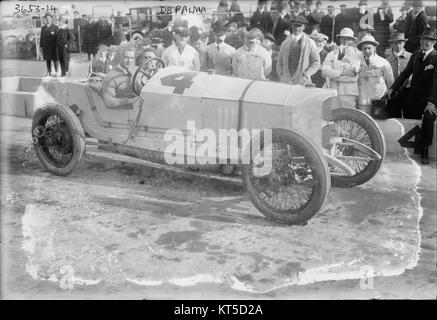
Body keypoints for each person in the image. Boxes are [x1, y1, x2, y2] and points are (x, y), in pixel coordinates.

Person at [386, 28, 437, 164]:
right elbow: (405, 74)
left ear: (434, 42)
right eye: (423, 39)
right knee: (406, 115)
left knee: (428, 120)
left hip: (429, 101)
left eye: (429, 40)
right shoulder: (415, 55)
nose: (425, 42)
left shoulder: (435, 57)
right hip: (413, 97)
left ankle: (425, 150)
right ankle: (405, 150)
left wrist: (432, 102)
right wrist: (392, 88)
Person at [322, 28, 361, 106]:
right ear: (340, 39)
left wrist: (332, 75)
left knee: (347, 115)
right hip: (332, 90)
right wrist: (343, 73)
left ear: (353, 40)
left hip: (348, 92)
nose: (346, 41)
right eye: (343, 38)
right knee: (332, 115)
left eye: (349, 39)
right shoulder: (332, 54)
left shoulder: (358, 55)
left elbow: (353, 76)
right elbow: (324, 72)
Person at [277, 15, 320, 85]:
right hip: (286, 82)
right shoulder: (285, 43)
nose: (296, 28)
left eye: (299, 26)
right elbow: (279, 62)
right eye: (294, 26)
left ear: (304, 27)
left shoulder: (310, 43)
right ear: (291, 25)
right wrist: (281, 75)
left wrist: (306, 75)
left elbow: (316, 62)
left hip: (303, 82)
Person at [357, 34, 394, 106]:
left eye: (369, 48)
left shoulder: (383, 63)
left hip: (379, 99)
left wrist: (386, 96)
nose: (367, 51)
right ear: (361, 49)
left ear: (374, 48)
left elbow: (390, 81)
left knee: (377, 117)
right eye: (364, 48)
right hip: (363, 100)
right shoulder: (357, 62)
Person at [384, 33, 412, 118]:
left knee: (409, 116)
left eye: (400, 42)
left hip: (408, 92)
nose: (398, 45)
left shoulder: (411, 57)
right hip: (393, 93)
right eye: (395, 43)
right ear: (391, 44)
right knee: (394, 117)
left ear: (404, 43)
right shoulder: (387, 60)